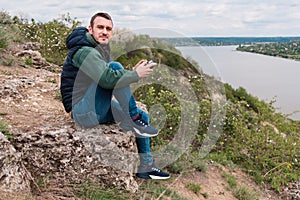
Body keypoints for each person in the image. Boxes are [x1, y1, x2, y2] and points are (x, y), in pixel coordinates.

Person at [60, 12, 170, 179]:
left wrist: (131, 72)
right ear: (90, 29)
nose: (105, 31)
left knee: (143, 115)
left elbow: (107, 75)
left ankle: (146, 165)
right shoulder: (83, 51)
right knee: (116, 67)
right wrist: (135, 75)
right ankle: (133, 118)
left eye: (108, 29)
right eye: (100, 27)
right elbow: (106, 79)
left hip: (95, 106)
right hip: (82, 111)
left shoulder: (100, 48)